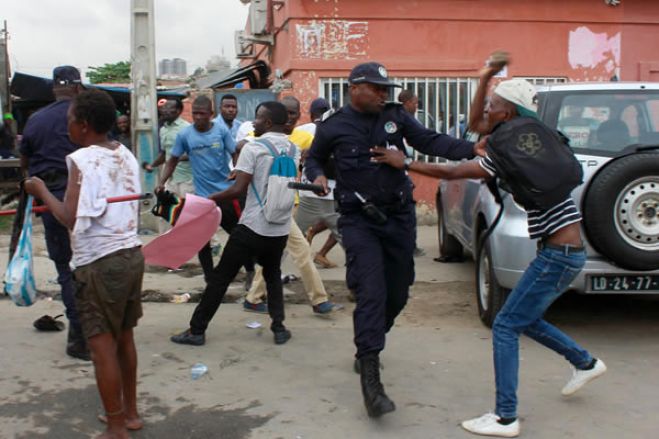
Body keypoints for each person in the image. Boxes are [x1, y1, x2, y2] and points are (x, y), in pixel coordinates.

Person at [372, 69, 606, 437]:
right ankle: (585, 362)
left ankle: (505, 417)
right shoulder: (533, 143)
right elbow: (476, 121)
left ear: (508, 114)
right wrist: (484, 80)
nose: (487, 110)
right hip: (564, 251)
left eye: (494, 105)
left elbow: (455, 172)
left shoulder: (506, 151)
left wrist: (405, 163)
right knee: (523, 319)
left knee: (505, 325)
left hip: (559, 255)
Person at [305, 61, 478, 418]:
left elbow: (430, 140)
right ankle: (371, 375)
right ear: (354, 88)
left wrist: (472, 150)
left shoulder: (395, 116)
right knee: (371, 291)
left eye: (387, 89)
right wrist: (318, 175)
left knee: (399, 291)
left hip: (398, 216)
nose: (385, 94)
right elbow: (315, 159)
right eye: (378, 88)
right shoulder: (334, 125)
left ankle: (371, 338)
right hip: (357, 220)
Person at [24, 89, 144, 439]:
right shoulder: (126, 154)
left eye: (70, 122)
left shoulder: (81, 159)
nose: (68, 128)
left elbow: (70, 217)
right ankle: (130, 414)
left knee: (101, 345)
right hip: (131, 254)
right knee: (125, 338)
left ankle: (116, 426)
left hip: (99, 263)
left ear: (84, 125)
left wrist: (41, 190)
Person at [170, 101, 298, 346]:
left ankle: (197, 330)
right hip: (279, 226)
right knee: (272, 275)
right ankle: (279, 328)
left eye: (258, 118)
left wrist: (208, 199)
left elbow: (238, 189)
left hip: (251, 226)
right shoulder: (293, 149)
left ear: (269, 122)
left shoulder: (254, 148)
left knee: (220, 278)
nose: (254, 122)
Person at [243, 95, 339, 316]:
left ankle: (254, 297)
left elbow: (318, 154)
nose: (288, 119)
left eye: (293, 114)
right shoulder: (258, 137)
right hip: (263, 209)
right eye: (284, 114)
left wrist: (313, 166)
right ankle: (318, 300)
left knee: (289, 254)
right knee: (298, 252)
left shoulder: (303, 138)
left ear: (298, 116)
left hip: (287, 206)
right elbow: (244, 144)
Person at [19, 65, 89, 361]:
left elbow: (25, 163)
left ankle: (80, 336)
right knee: (90, 265)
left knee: (65, 268)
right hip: (88, 197)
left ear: (53, 89)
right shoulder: (88, 116)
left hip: (51, 197)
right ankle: (90, 333)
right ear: (77, 87)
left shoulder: (36, 120)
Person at [156, 95, 255, 287]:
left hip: (225, 193)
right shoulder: (185, 135)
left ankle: (250, 270)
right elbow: (172, 160)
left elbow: (234, 152)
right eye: (195, 114)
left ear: (211, 115)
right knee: (201, 240)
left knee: (238, 236)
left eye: (202, 114)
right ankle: (210, 278)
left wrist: (236, 169)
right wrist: (162, 181)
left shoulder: (221, 132)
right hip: (202, 197)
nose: (198, 118)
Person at [294, 97, 342, 268]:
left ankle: (269, 269)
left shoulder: (302, 130)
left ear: (310, 114)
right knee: (344, 230)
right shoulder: (335, 129)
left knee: (294, 232)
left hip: (309, 188)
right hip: (330, 189)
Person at [397, 89, 427, 258]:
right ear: (407, 103)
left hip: (402, 175)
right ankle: (410, 246)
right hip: (399, 176)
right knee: (407, 214)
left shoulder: (405, 120)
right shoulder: (401, 122)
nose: (416, 106)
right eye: (415, 103)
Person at [144, 99, 193, 198]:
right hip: (169, 179)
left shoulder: (187, 128)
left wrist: (176, 159)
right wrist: (152, 166)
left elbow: (194, 153)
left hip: (186, 179)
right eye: (164, 108)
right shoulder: (163, 129)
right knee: (170, 210)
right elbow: (164, 153)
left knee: (186, 210)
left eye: (169, 108)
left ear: (178, 111)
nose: (164, 110)